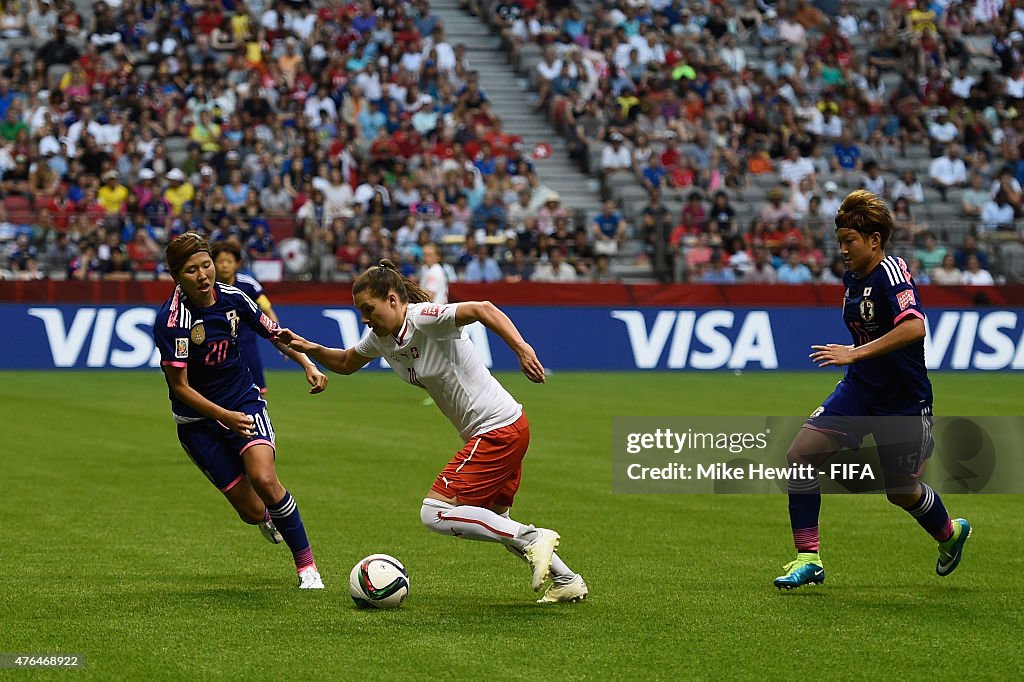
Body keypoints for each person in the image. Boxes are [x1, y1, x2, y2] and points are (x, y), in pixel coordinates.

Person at [274, 260, 588, 604]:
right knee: (496, 520)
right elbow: (347, 362)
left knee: (435, 512)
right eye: (360, 311)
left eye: (368, 309)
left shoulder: (423, 317)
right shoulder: (381, 338)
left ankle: (532, 538)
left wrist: (521, 348)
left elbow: (483, 308)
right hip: (504, 427)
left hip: (496, 428)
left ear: (393, 299)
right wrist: (309, 347)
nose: (364, 318)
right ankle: (567, 580)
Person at [774, 191, 971, 590]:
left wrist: (855, 352)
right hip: (860, 391)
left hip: (903, 401)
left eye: (850, 241)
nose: (843, 250)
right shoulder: (853, 278)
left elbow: (914, 327)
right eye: (840, 242)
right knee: (799, 456)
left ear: (875, 240)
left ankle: (950, 533)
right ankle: (809, 559)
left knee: (899, 490)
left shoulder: (892, 273)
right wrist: (857, 360)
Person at [153, 233, 329, 589]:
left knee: (264, 478)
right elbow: (180, 387)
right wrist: (222, 416)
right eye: (191, 270)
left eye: (206, 265)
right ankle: (267, 517)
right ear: (176, 276)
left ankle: (307, 568)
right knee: (252, 511)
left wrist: (306, 363)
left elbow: (274, 333)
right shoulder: (173, 322)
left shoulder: (234, 297)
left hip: (242, 402)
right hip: (197, 423)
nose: (203, 275)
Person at [211, 241, 280, 394]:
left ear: (237, 264)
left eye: (229, 261)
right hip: (217, 346)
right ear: (213, 263)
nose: (225, 265)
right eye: (221, 261)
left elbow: (267, 309)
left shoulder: (249, 285)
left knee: (259, 390)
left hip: (246, 344)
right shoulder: (206, 287)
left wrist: (280, 340)